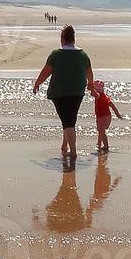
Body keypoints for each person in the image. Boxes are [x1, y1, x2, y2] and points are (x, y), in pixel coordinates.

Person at [32, 24, 94, 159]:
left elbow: (46, 72)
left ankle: (73, 152)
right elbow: (89, 72)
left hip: (60, 92)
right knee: (69, 119)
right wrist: (91, 86)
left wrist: (37, 83)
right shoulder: (83, 54)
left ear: (62, 39)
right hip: (77, 91)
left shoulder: (56, 54)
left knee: (68, 121)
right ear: (74, 39)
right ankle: (64, 146)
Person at [92, 79, 123, 152]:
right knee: (102, 132)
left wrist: (90, 87)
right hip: (107, 116)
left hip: (102, 117)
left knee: (101, 131)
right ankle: (105, 146)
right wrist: (117, 114)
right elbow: (112, 105)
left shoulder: (98, 96)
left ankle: (99, 145)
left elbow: (93, 93)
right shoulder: (104, 97)